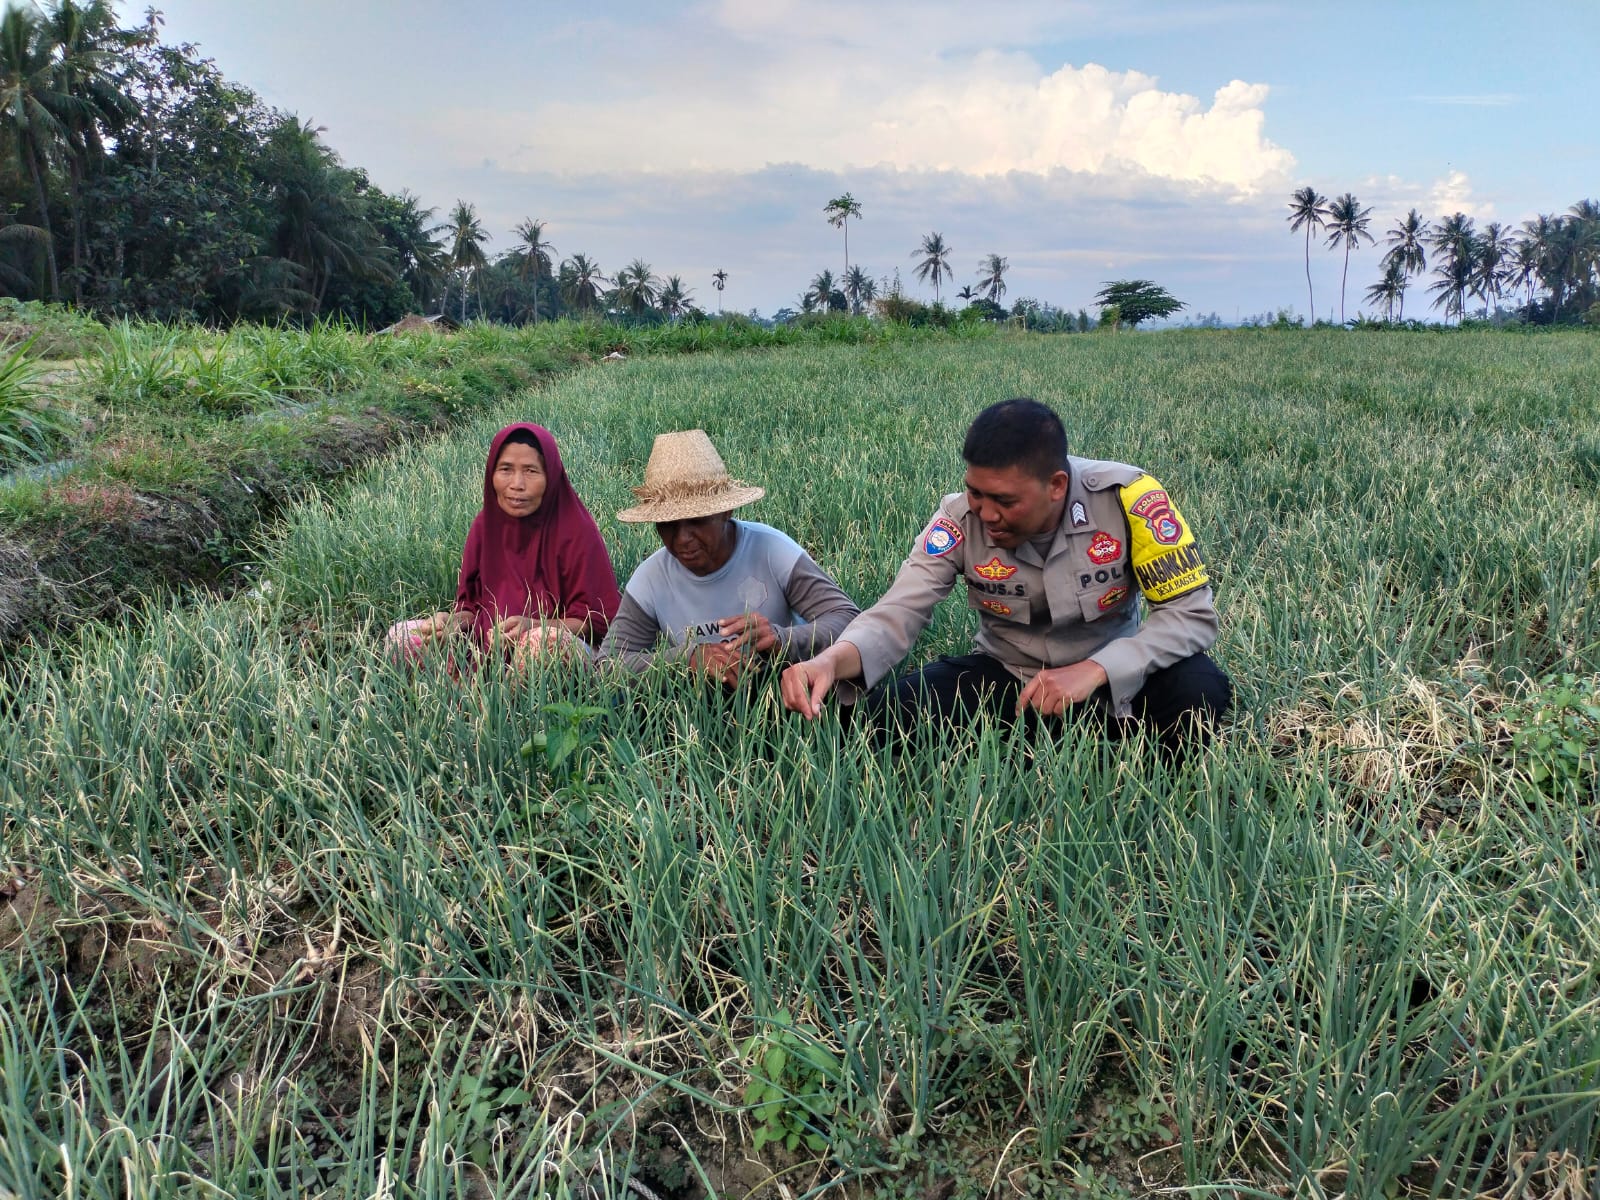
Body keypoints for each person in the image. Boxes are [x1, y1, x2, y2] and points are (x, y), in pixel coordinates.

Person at [780, 398, 1232, 753]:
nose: (987, 514)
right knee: (888, 716)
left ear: (1056, 485)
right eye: (976, 492)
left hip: (1113, 678)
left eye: (1005, 501)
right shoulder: (958, 519)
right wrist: (829, 661)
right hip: (1009, 678)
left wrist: (1096, 670)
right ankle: (1034, 742)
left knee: (1198, 691)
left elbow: (1189, 615)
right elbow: (897, 612)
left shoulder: (1128, 499)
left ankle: (1122, 761)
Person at [598, 430, 859, 685]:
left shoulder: (772, 551)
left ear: (726, 511)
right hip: (702, 705)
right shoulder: (651, 578)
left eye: (696, 520)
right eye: (668, 524)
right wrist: (687, 659)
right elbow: (607, 666)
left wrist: (781, 639)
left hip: (789, 691)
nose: (682, 538)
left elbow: (847, 618)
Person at [386, 422, 620, 664]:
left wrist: (535, 625)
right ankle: (467, 685)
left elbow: (596, 621)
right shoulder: (484, 526)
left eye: (531, 471)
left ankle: (508, 688)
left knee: (541, 643)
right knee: (402, 636)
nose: (517, 484)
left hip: (562, 645)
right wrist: (451, 622)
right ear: (492, 474)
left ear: (550, 476)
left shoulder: (576, 530)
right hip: (487, 642)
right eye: (506, 469)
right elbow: (472, 607)